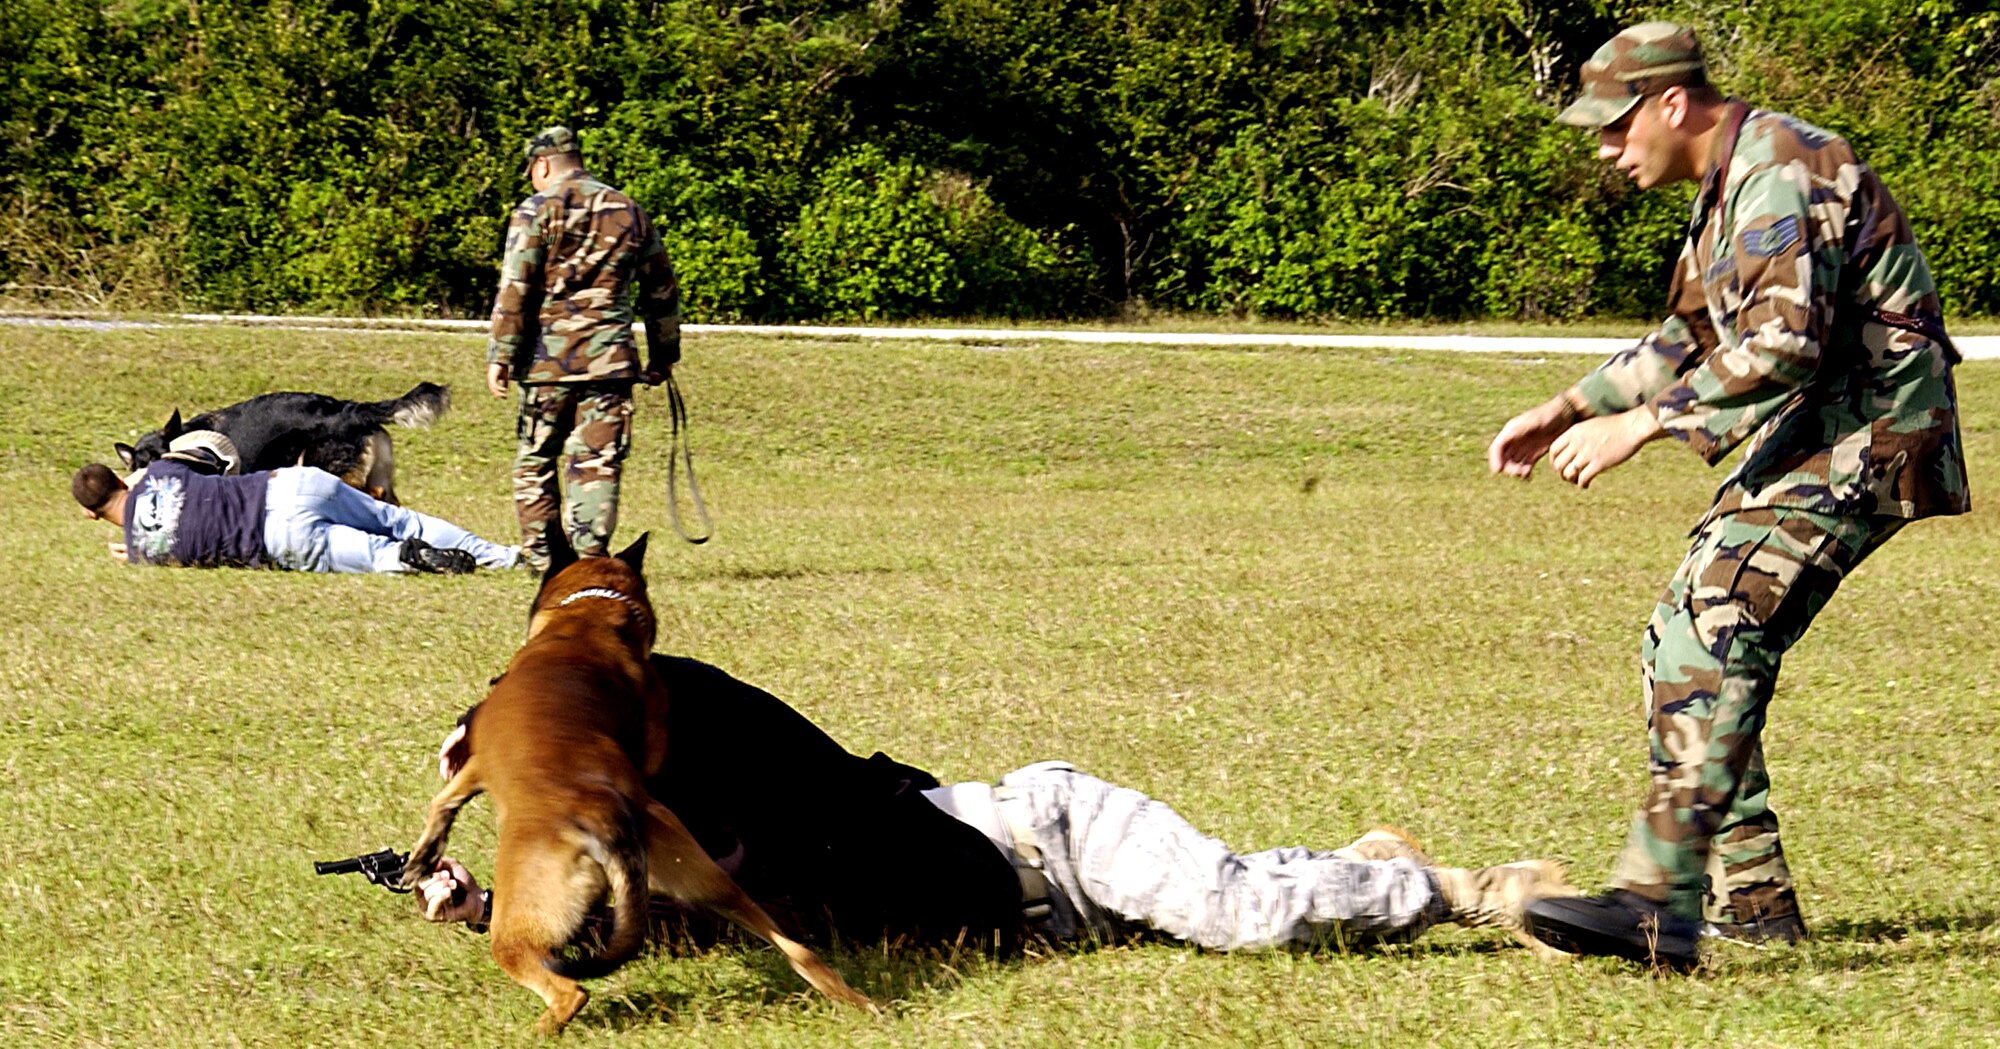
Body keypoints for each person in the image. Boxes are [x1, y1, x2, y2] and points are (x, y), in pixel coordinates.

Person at [1486, 23, 1968, 968]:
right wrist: (1568, 407)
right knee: (1681, 631)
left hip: (1874, 425)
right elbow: (1689, 338)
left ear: (1673, 104)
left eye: (1616, 126)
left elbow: (1782, 344)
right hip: (1829, 420)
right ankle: (1748, 900)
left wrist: (1641, 426)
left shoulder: (1777, 169)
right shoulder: (1729, 188)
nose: (1606, 148)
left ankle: (1656, 899)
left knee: (1717, 620)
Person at [412, 655, 1575, 955]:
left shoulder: (761, 775)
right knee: (1238, 898)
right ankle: (1356, 858)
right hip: (1045, 916)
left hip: (1051, 832)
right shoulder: (685, 867)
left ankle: (1474, 889)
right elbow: (624, 910)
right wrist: (482, 906)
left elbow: (679, 700)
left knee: (1239, 915)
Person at [485, 125, 682, 570]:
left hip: (545, 365)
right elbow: (660, 290)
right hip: (609, 364)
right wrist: (663, 353)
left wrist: (501, 355)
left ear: (542, 165)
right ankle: (591, 556)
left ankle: (543, 561)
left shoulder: (535, 211)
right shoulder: (629, 210)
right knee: (597, 464)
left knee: (536, 461)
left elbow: (515, 290)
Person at [73, 430, 520, 573]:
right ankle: (506, 557)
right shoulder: (163, 471)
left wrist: (134, 552)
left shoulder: (146, 553)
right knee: (398, 518)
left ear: (90, 515)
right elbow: (214, 451)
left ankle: (403, 559)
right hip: (288, 486)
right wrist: (146, 475)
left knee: (377, 558)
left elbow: (161, 542)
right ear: (119, 476)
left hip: (279, 538)